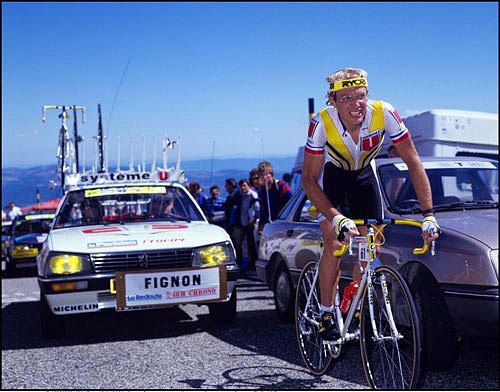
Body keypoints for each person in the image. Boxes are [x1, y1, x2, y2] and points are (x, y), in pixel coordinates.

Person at [301, 67, 440, 341]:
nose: (356, 104)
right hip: (334, 179)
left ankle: (354, 299)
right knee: (335, 243)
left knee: (370, 245)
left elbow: (413, 162)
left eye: (361, 96)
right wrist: (335, 217)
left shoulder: (384, 113)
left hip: (365, 175)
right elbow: (308, 179)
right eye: (347, 97)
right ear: (333, 100)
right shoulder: (321, 123)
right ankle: (326, 312)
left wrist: (429, 213)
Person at [257, 161, 293, 234]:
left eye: (266, 174)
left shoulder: (282, 186)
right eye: (262, 175)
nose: (264, 177)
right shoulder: (262, 192)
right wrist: (261, 225)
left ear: (272, 174)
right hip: (271, 226)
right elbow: (263, 210)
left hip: (284, 224)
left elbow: (292, 203)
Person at [239, 178, 260, 271]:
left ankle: (255, 264)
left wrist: (253, 221)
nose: (243, 188)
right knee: (248, 244)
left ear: (248, 185)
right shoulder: (243, 196)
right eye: (241, 186)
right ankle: (251, 264)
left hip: (252, 223)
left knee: (254, 244)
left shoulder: (252, 195)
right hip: (245, 223)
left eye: (244, 185)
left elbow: (257, 209)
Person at [223, 178, 243, 266]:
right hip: (235, 223)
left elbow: (233, 211)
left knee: (237, 244)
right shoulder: (235, 194)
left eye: (226, 185)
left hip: (235, 224)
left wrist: (231, 223)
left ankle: (239, 263)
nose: (225, 187)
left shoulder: (234, 195)